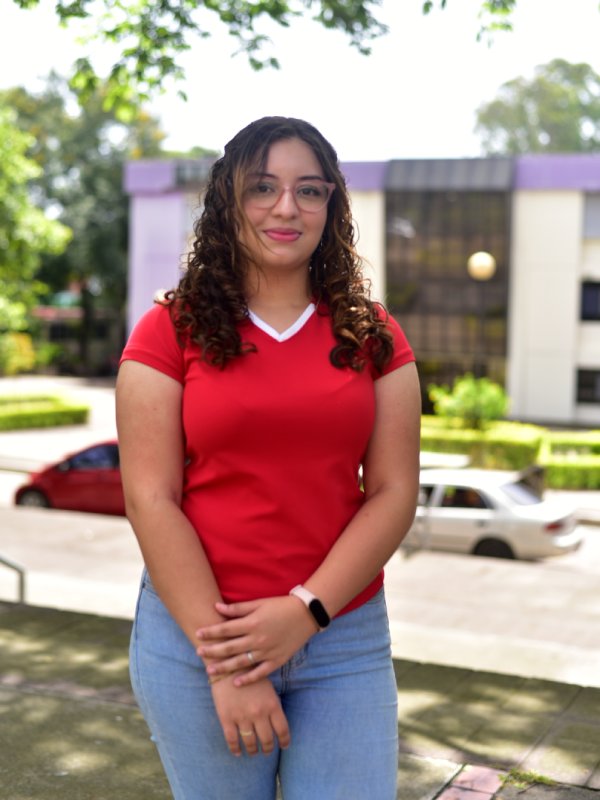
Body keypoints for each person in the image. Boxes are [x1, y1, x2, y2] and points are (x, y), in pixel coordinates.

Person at [116, 116, 421, 800]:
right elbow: (150, 499)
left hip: (341, 637)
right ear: (228, 201)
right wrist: (229, 664)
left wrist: (306, 610)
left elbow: (394, 492)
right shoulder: (169, 329)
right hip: (201, 638)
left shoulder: (375, 335)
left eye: (309, 190)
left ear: (331, 207)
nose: (287, 207)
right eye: (262, 187)